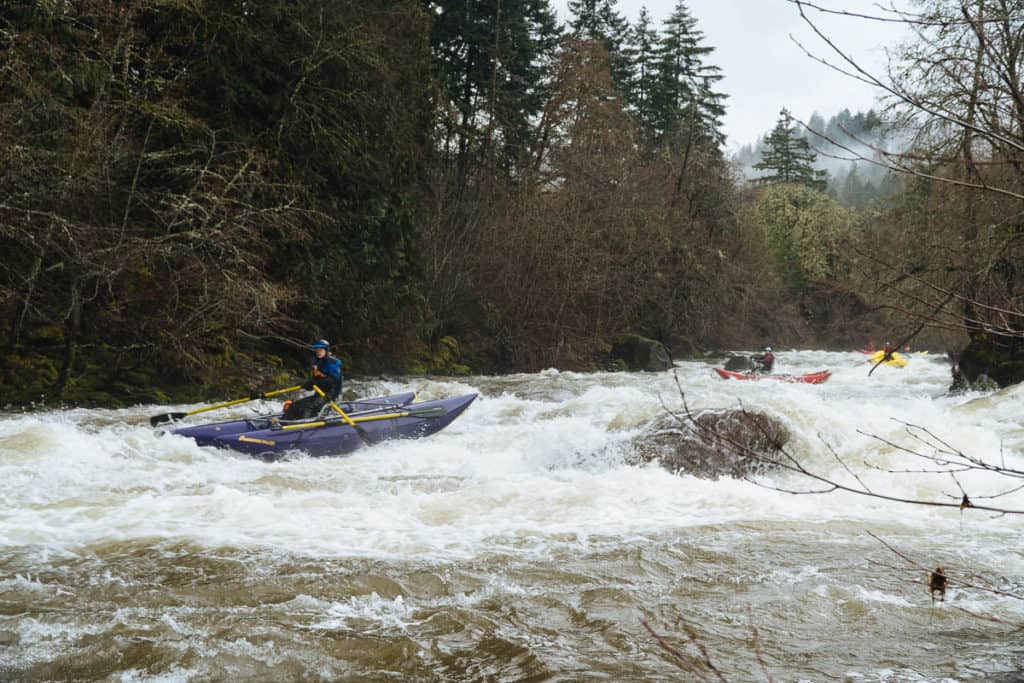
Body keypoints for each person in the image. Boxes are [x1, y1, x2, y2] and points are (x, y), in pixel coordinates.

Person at [282, 339, 343, 420]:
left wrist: (315, 383)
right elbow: (315, 381)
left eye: (321, 350)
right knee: (295, 405)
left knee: (308, 406)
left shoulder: (332, 363)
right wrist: (308, 384)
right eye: (317, 350)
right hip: (319, 395)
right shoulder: (316, 363)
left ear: (326, 350)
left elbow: (333, 380)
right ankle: (282, 424)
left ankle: (303, 425)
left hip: (331, 395)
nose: (318, 352)